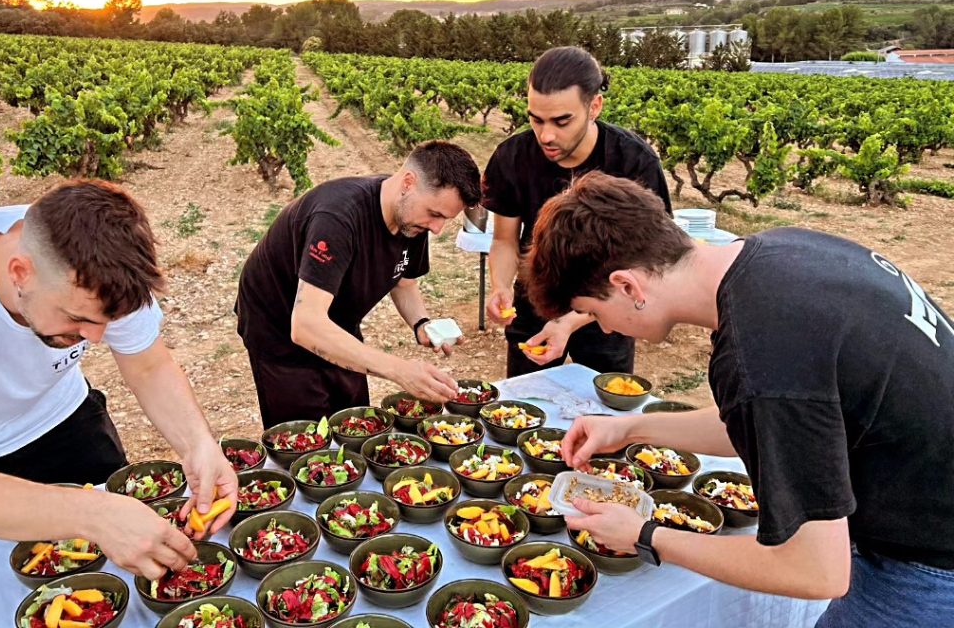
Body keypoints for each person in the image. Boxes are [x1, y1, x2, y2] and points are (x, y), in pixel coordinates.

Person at [525, 172, 954, 625]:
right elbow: (772, 419)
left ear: (628, 286)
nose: (605, 329)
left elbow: (817, 572)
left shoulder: (759, 350)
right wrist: (631, 427)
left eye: (594, 312)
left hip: (926, 566)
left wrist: (646, 536)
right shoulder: (777, 252)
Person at [0, 180, 238, 580]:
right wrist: (94, 514)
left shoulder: (102, 258)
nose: (95, 338)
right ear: (20, 273)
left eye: (106, 323)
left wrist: (199, 445)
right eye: (78, 319)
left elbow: (148, 366)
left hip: (66, 419)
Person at [236, 140, 482, 427]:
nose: (437, 229)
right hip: (280, 329)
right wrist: (398, 370)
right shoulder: (337, 218)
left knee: (355, 424)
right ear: (408, 182)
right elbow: (305, 326)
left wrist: (421, 322)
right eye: (435, 214)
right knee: (308, 443)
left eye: (446, 219)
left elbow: (403, 282)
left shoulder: (411, 221)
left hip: (336, 320)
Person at [481, 45, 671, 378]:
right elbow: (505, 241)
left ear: (594, 106)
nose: (546, 135)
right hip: (534, 304)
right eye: (535, 119)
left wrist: (571, 322)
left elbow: (646, 264)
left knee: (605, 414)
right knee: (526, 411)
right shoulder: (511, 158)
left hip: (610, 311)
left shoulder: (633, 162)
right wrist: (500, 286)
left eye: (562, 121)